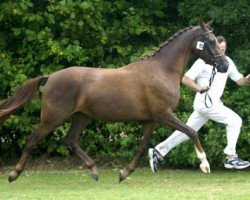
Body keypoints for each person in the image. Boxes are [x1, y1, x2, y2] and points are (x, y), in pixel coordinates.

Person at [149, 36, 250, 172]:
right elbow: (185, 79)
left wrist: (247, 80)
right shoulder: (202, 62)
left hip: (211, 104)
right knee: (235, 121)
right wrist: (199, 88)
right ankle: (231, 157)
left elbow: (239, 81)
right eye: (219, 49)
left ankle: (159, 151)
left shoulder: (227, 62)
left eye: (224, 49)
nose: (222, 52)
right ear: (213, 48)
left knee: (186, 132)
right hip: (205, 103)